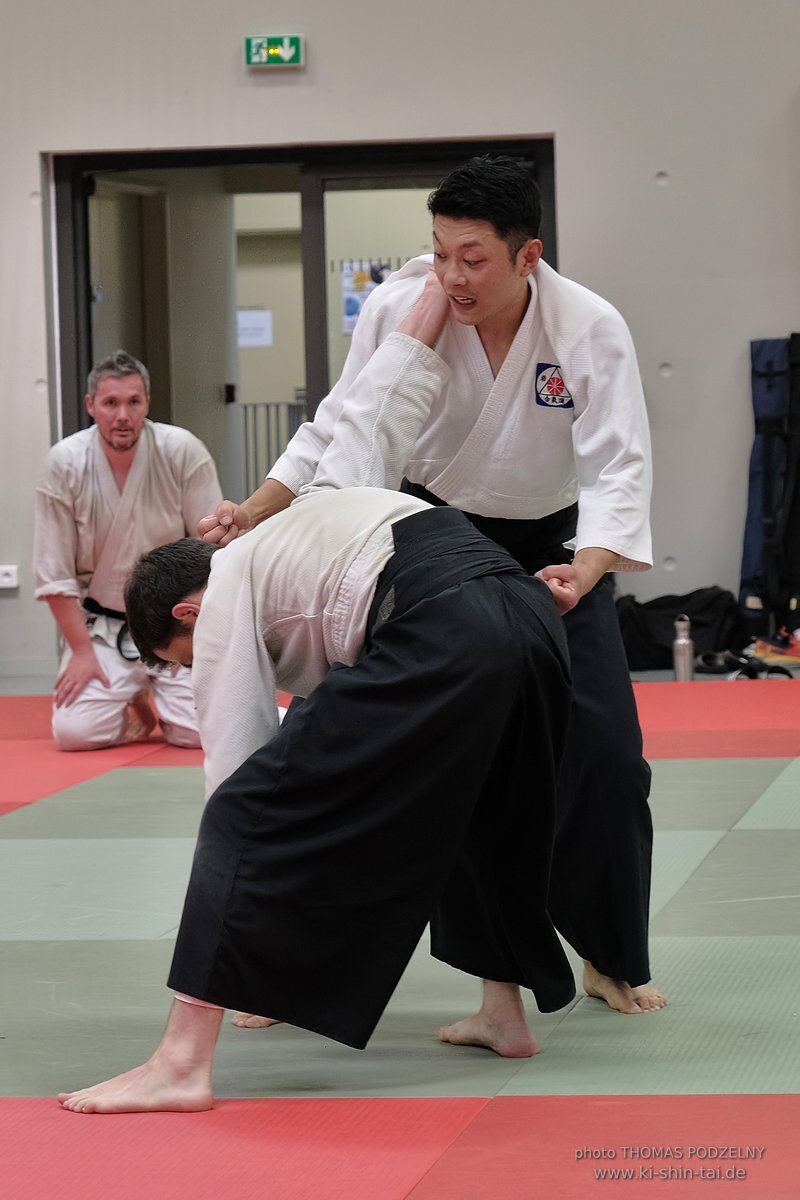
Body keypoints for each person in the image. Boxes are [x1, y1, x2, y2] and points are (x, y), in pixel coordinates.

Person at [58, 289, 575, 1114]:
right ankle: (502, 1014)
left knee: (242, 813)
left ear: (187, 613)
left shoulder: (226, 583)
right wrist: (437, 295)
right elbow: (381, 398)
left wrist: (240, 934)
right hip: (521, 610)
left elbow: (240, 767)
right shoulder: (332, 496)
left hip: (444, 626)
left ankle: (182, 1063)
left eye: (181, 661)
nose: (193, 672)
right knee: (477, 803)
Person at [199, 155, 665, 1017]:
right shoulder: (397, 307)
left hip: (559, 546)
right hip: (418, 541)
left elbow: (618, 460)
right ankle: (276, 964)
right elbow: (340, 423)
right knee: (347, 752)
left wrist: (592, 565)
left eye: (473, 258)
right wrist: (257, 509)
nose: (451, 275)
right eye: (440, 252)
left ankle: (608, 953)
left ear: (528, 256)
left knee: (604, 757)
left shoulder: (589, 326)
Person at [33, 349, 223, 751]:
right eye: (111, 403)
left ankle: (158, 696)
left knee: (203, 732)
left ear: (147, 402)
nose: (123, 415)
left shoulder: (181, 450)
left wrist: (206, 629)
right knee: (74, 733)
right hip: (101, 630)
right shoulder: (64, 463)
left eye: (133, 402)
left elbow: (213, 548)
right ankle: (134, 695)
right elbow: (54, 575)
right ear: (91, 405)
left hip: (175, 624)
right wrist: (82, 654)